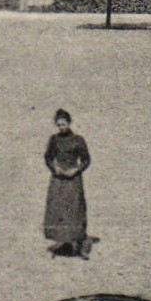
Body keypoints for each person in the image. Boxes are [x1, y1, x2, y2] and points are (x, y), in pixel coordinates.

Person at [43, 108, 93, 258]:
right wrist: (54, 167)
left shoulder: (78, 140)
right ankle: (64, 242)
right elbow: (48, 157)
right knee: (58, 209)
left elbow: (86, 160)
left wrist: (76, 170)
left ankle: (80, 245)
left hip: (73, 180)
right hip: (58, 180)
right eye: (58, 125)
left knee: (75, 209)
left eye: (63, 124)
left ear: (69, 123)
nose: (61, 127)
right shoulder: (54, 140)